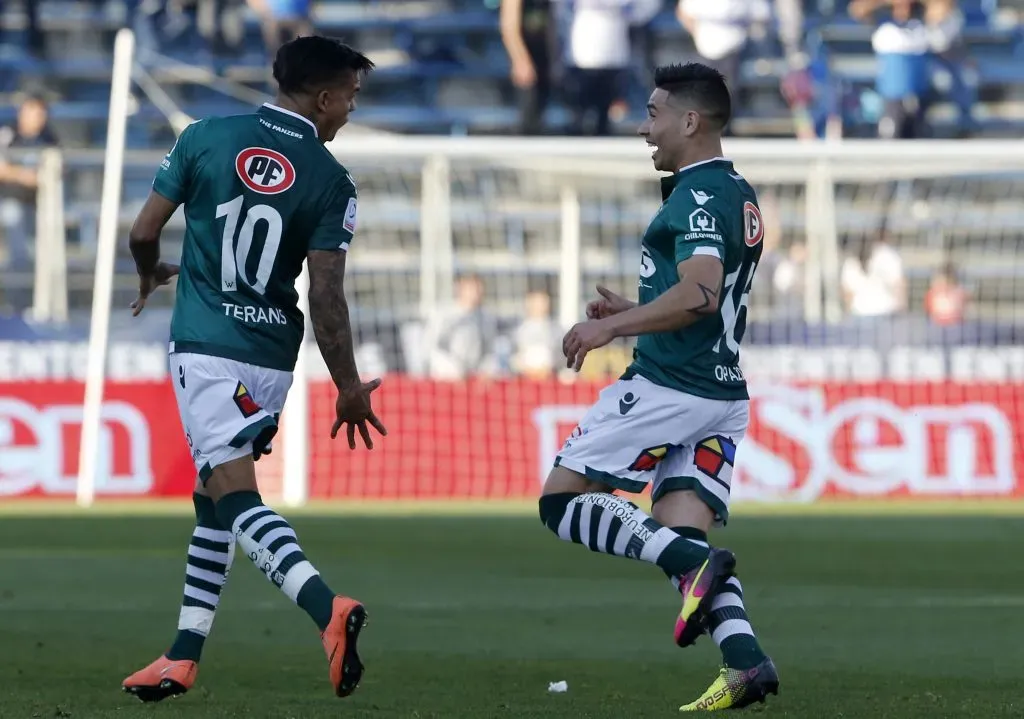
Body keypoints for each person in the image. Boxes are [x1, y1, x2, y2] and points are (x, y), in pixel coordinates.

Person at [120, 36, 385, 703]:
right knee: (213, 495)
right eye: (351, 97)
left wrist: (151, 270)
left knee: (234, 491)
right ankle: (182, 656)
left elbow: (144, 230)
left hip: (207, 349)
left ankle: (327, 607)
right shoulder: (331, 180)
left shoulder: (204, 136)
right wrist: (349, 386)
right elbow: (325, 296)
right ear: (323, 97)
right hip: (271, 361)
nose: (351, 110)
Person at [542, 63, 778, 712]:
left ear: (690, 121)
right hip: (723, 396)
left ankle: (690, 563)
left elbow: (700, 292)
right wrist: (637, 302)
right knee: (684, 534)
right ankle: (746, 661)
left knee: (560, 501)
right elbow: (705, 289)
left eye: (653, 115)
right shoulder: (738, 192)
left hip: (671, 387)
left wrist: (613, 326)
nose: (645, 129)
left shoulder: (696, 197)